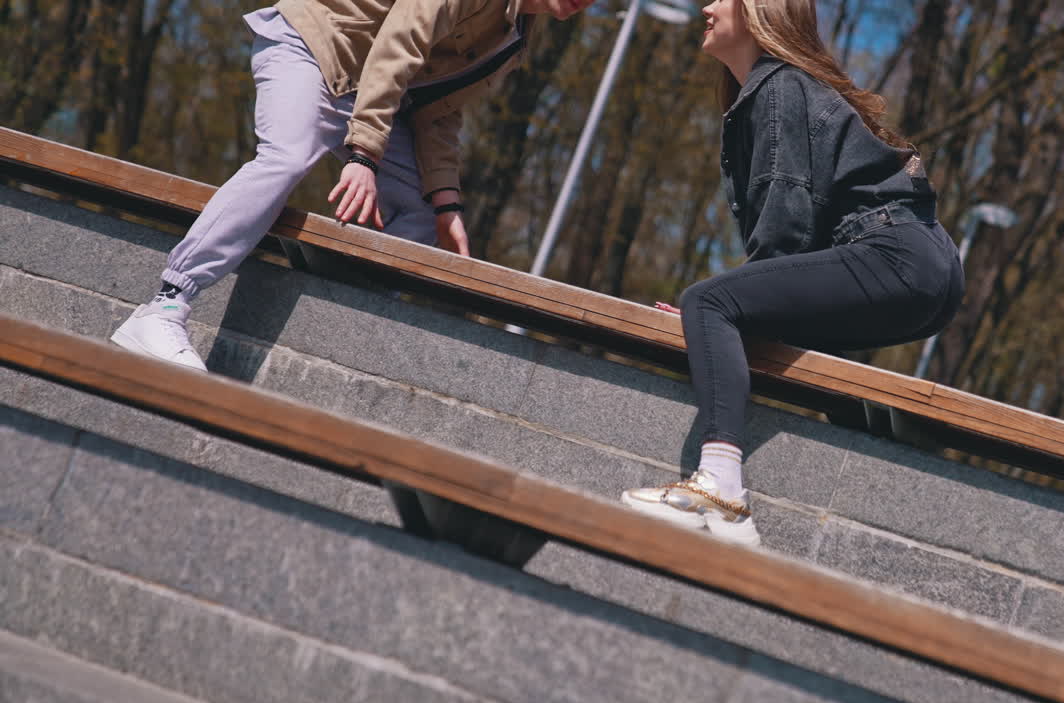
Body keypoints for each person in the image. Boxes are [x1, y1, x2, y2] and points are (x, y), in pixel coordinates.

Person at [621, 0, 965, 545]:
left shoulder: (776, 83)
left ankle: (720, 489)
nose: (706, 6)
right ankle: (729, 514)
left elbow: (787, 220)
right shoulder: (772, 90)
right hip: (928, 268)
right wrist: (729, 314)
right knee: (716, 306)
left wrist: (721, 306)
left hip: (894, 252)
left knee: (707, 302)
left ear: (760, 11)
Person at [111, 0, 595, 370]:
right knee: (287, 156)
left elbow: (439, 110)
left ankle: (328, 319)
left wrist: (447, 203)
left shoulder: (512, 36)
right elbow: (399, 46)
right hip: (314, 47)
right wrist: (364, 152)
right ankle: (166, 305)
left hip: (368, 92)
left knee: (420, 214)